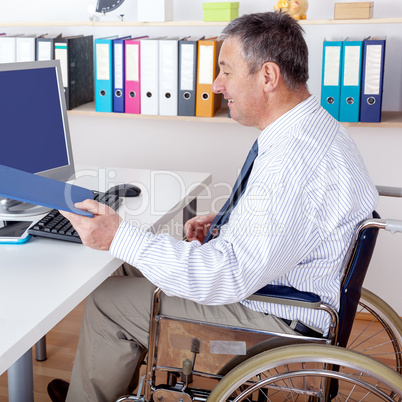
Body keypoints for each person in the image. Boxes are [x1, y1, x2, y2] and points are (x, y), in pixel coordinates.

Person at [48, 11, 378, 402]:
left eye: (226, 70)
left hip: (273, 323)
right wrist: (230, 222)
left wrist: (119, 234)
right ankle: (101, 380)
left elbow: (225, 276)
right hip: (285, 287)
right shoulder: (310, 127)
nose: (217, 85)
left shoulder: (294, 160)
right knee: (126, 264)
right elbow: (289, 221)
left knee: (107, 299)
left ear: (268, 77)